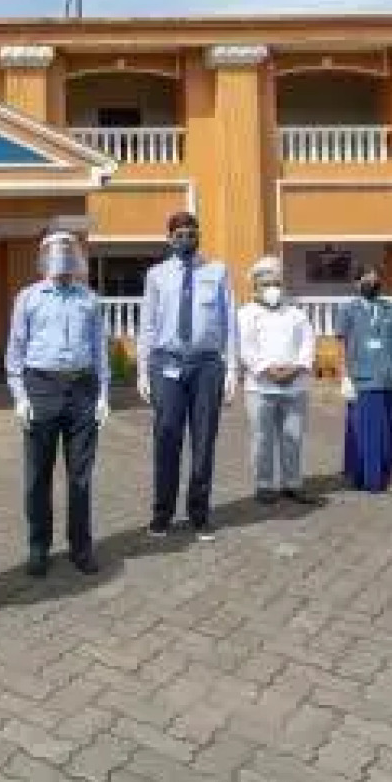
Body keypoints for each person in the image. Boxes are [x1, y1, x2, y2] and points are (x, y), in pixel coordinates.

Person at [4, 230, 109, 577]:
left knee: (80, 475)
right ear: (44, 256)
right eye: (54, 250)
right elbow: (15, 350)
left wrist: (104, 394)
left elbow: (99, 349)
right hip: (41, 386)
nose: (61, 256)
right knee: (38, 475)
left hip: (82, 388)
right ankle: (38, 547)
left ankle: (81, 547)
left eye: (67, 250)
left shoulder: (89, 299)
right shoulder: (28, 298)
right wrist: (20, 396)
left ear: (76, 255)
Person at [135, 211, 237, 541]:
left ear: (199, 236)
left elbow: (229, 321)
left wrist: (232, 367)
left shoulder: (217, 272)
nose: (186, 239)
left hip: (207, 365)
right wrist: (142, 371)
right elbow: (148, 325)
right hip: (166, 364)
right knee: (166, 438)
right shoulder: (156, 275)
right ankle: (161, 514)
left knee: (204, 440)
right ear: (169, 239)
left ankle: (199, 513)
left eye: (191, 233)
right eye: (179, 234)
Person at [235, 256, 317, 505]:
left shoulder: (296, 314)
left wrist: (295, 369)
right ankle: (264, 485)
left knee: (293, 436)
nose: (272, 289)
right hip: (260, 387)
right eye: (265, 284)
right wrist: (267, 370)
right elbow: (244, 347)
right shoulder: (245, 314)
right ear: (255, 287)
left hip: (295, 386)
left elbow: (308, 343)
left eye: (276, 283)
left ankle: (292, 484)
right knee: (262, 438)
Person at [337, 264, 392, 493]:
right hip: (363, 379)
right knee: (368, 431)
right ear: (357, 283)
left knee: (390, 431)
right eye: (367, 279)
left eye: (376, 278)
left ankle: (385, 476)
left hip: (391, 378)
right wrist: (345, 376)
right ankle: (370, 480)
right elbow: (342, 345)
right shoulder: (348, 310)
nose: (372, 282)